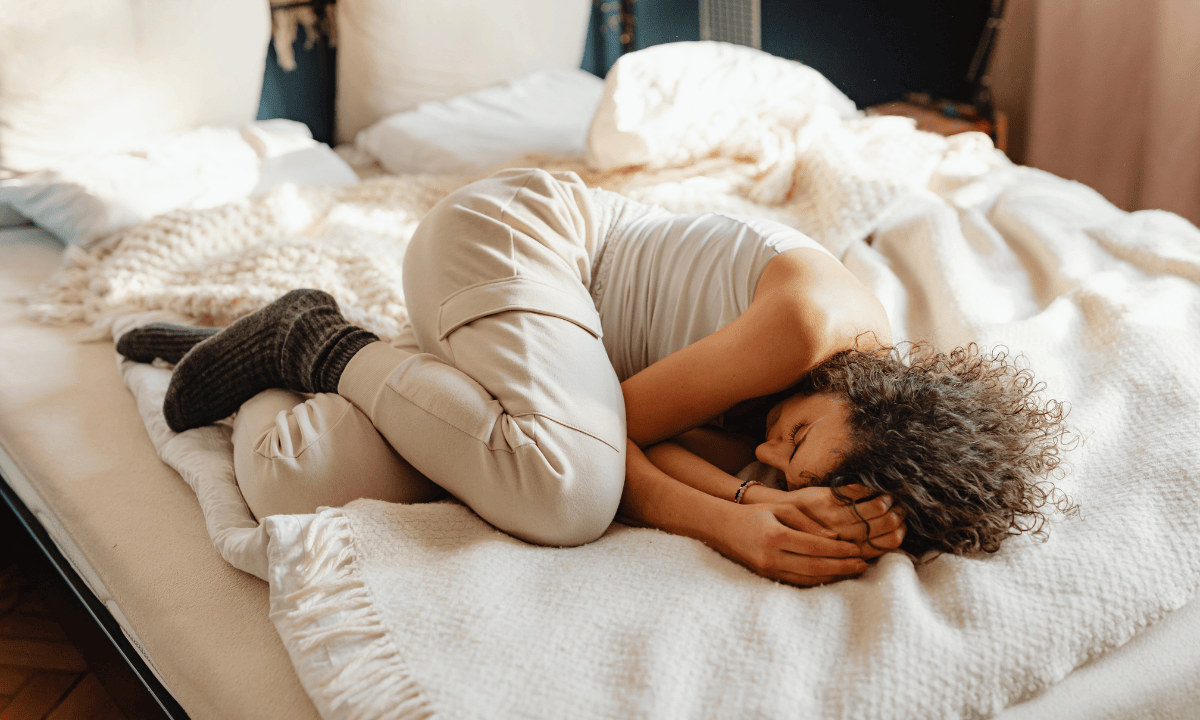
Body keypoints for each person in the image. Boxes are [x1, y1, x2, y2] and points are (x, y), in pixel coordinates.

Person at [117, 169, 1071, 587]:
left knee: (305, 477)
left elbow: (644, 447)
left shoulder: (807, 422)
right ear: (875, 393)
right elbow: (613, 444)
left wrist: (769, 500)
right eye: (796, 442)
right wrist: (732, 521)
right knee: (565, 493)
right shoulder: (808, 325)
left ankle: (254, 354)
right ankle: (309, 337)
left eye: (786, 470)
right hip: (518, 242)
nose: (771, 450)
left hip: (532, 358)